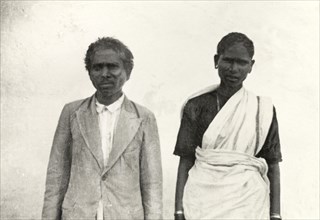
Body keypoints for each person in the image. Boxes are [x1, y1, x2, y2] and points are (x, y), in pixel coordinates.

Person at [42, 37, 163, 220]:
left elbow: (152, 184)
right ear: (89, 73)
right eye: (97, 67)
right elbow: (56, 176)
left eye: (113, 66)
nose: (105, 74)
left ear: (127, 72)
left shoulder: (144, 117)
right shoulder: (72, 113)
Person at [173, 32, 282, 220]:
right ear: (217, 60)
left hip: (248, 201)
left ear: (251, 66)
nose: (234, 69)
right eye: (228, 61)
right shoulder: (196, 105)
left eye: (242, 63)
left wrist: (275, 214)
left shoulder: (262, 110)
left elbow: (272, 164)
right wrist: (179, 210)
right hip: (201, 200)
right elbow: (185, 160)